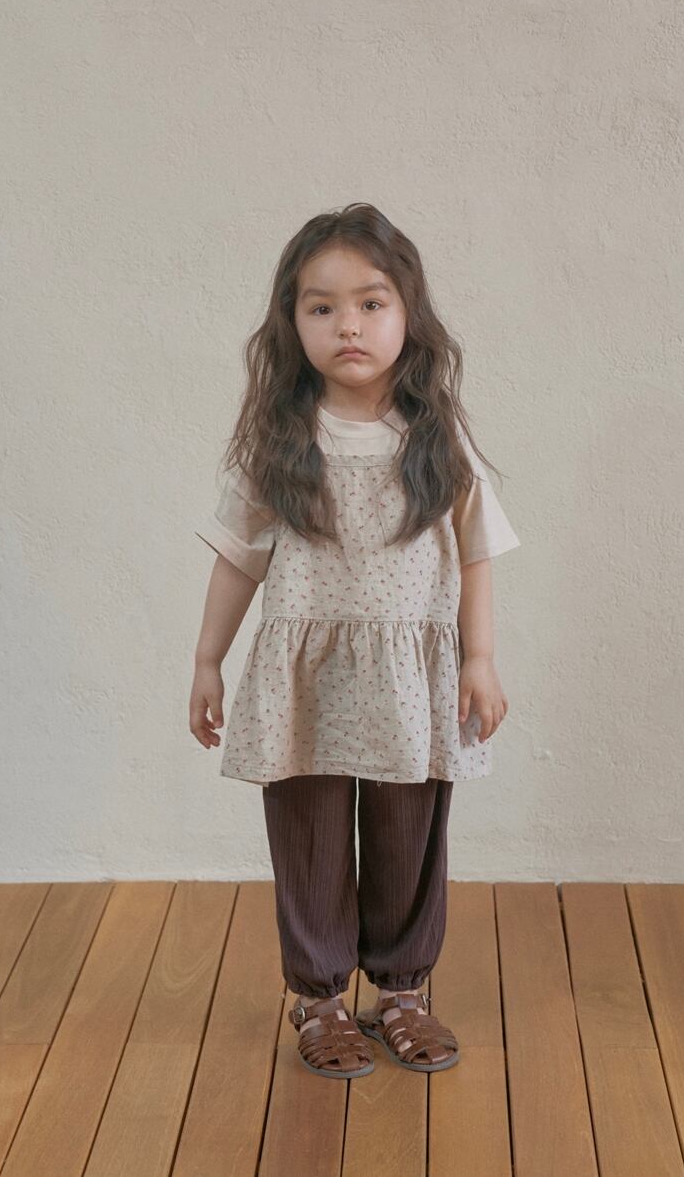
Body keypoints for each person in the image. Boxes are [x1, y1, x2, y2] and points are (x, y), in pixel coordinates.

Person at [189, 202, 520, 1080]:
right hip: (307, 682)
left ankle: (403, 992)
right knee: (310, 839)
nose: (348, 325)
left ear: (409, 315)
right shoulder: (281, 442)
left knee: (410, 836)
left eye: (371, 303)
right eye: (322, 306)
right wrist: (206, 660)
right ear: (291, 322)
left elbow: (476, 555)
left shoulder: (437, 439)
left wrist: (480, 659)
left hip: (412, 679)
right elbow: (237, 560)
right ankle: (319, 1000)